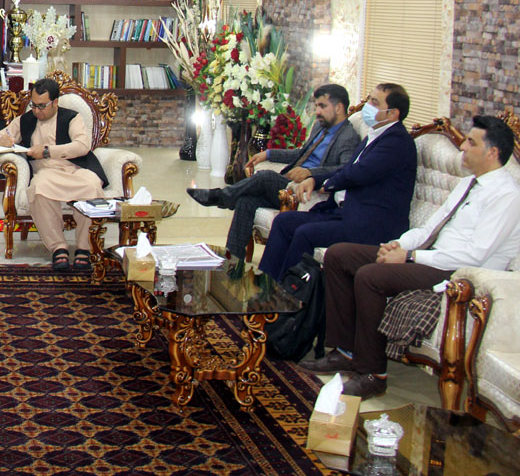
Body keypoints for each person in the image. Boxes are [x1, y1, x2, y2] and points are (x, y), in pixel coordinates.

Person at [300, 115, 520, 399]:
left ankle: (373, 374)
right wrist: (396, 245)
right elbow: (431, 227)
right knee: (340, 255)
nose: (462, 147)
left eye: (470, 142)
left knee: (370, 276)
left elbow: (475, 255)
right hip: (431, 256)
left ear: (492, 153)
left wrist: (411, 257)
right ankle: (345, 351)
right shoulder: (469, 183)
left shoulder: (507, 195)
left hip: (458, 273)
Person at [257, 83, 417, 282]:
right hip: (345, 213)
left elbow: (358, 173)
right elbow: (347, 168)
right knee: (283, 221)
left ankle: (291, 299)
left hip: (370, 225)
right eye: (369, 99)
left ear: (393, 114)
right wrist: (313, 180)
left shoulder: (396, 143)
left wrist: (327, 184)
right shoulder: (376, 135)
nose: (368, 105)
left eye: (374, 102)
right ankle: (266, 288)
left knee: (305, 233)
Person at [189, 84, 360, 256]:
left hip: (309, 190)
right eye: (316, 106)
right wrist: (268, 154)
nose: (317, 112)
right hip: (290, 182)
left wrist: (311, 173)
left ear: (339, 108)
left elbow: (344, 170)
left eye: (322, 106)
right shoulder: (320, 128)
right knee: (246, 201)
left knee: (264, 177)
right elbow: (300, 153)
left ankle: (221, 196)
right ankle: (233, 261)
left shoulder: (348, 137)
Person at [0, 77, 109, 270]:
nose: (37, 111)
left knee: (92, 186)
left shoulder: (71, 117)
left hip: (77, 170)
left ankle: (84, 248)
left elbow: (82, 146)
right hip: (47, 174)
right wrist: (1, 140)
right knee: (38, 188)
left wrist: (46, 151)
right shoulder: (26, 120)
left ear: (55, 102)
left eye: (42, 106)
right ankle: (58, 247)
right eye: (34, 105)